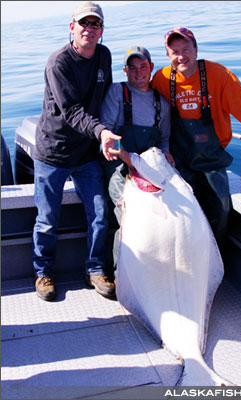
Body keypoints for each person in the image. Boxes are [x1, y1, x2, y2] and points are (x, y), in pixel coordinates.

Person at [151, 27, 241, 249]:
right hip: (177, 160)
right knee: (180, 215)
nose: (181, 56)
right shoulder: (161, 79)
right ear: (168, 56)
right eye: (174, 52)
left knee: (220, 210)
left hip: (212, 159)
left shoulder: (217, 74)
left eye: (186, 49)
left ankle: (215, 262)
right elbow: (146, 110)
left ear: (196, 49)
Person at [33, 1, 116, 301]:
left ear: (102, 31)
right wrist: (101, 131)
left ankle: (95, 269)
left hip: (86, 153)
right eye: (84, 23)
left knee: (100, 213)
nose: (89, 30)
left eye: (95, 25)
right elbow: (72, 111)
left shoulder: (104, 56)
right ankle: (43, 272)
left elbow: (105, 96)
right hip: (53, 153)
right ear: (72, 27)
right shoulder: (59, 63)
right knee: (46, 219)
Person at [100, 45, 174, 269]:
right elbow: (108, 134)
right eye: (132, 68)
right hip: (119, 166)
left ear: (151, 67)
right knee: (127, 215)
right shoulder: (117, 92)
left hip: (149, 169)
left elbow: (163, 139)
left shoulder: (161, 103)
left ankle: (158, 269)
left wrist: (166, 154)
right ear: (125, 71)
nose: (139, 73)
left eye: (143, 67)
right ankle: (119, 273)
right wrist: (127, 157)